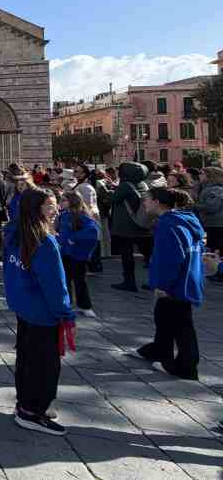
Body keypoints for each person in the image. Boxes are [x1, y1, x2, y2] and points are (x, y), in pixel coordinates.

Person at [3, 187, 75, 436]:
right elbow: (55, 285)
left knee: (26, 359)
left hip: (24, 309)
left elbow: (11, 274)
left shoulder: (15, 233)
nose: (55, 210)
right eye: (49, 206)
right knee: (44, 365)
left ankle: (25, 403)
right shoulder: (44, 242)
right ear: (35, 209)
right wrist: (65, 313)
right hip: (43, 313)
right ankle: (32, 412)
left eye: (55, 204)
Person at [128, 188, 205, 380]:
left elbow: (171, 259)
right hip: (186, 280)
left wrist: (163, 285)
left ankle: (186, 368)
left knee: (182, 325)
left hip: (177, 284)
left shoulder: (168, 224)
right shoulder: (181, 219)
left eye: (146, 199)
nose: (144, 203)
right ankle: (159, 351)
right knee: (163, 317)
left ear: (157, 202)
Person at [56, 190, 100, 318]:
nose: (61, 202)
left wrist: (74, 238)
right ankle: (66, 304)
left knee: (80, 280)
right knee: (66, 280)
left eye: (64, 200)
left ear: (72, 201)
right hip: (65, 253)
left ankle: (85, 306)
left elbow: (93, 231)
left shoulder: (81, 216)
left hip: (77, 255)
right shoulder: (63, 215)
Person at [110, 162, 153, 292]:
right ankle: (155, 280)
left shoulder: (125, 185)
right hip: (143, 224)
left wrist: (108, 190)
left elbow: (113, 199)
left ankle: (129, 282)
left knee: (127, 256)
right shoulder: (143, 184)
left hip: (126, 227)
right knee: (150, 255)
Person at [195, 166, 223, 283]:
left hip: (217, 224)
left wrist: (193, 206)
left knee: (218, 249)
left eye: (202, 173)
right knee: (215, 248)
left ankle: (220, 273)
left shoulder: (215, 190)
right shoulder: (208, 188)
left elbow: (212, 207)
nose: (199, 175)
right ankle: (217, 272)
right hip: (213, 224)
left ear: (210, 176)